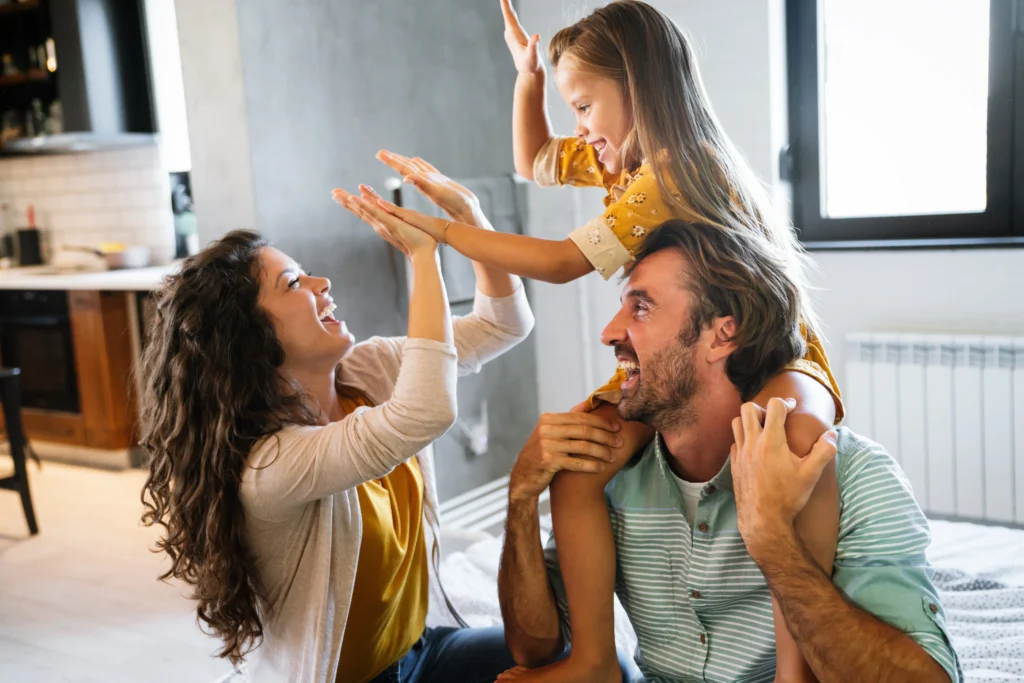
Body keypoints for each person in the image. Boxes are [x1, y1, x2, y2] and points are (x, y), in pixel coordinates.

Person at [367, 0, 842, 677]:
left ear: (639, 90)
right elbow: (533, 159)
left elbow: (563, 262)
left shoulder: (677, 169)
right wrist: (528, 77)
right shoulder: (619, 160)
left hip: (770, 353)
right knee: (580, 458)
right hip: (683, 358)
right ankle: (592, 659)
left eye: (585, 107)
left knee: (790, 444)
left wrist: (440, 232)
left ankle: (797, 671)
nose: (580, 129)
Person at [497, 220, 960, 683]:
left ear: (722, 335)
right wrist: (520, 498)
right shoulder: (608, 473)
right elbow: (536, 649)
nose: (609, 332)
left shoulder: (855, 476)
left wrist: (774, 543)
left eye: (641, 309)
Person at [138, 179, 534, 683]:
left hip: (422, 650)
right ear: (252, 339)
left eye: (306, 274)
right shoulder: (271, 465)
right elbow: (424, 413)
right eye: (292, 284)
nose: (321, 283)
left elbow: (504, 325)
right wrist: (424, 258)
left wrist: (470, 218)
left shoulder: (369, 370)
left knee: (579, 656)